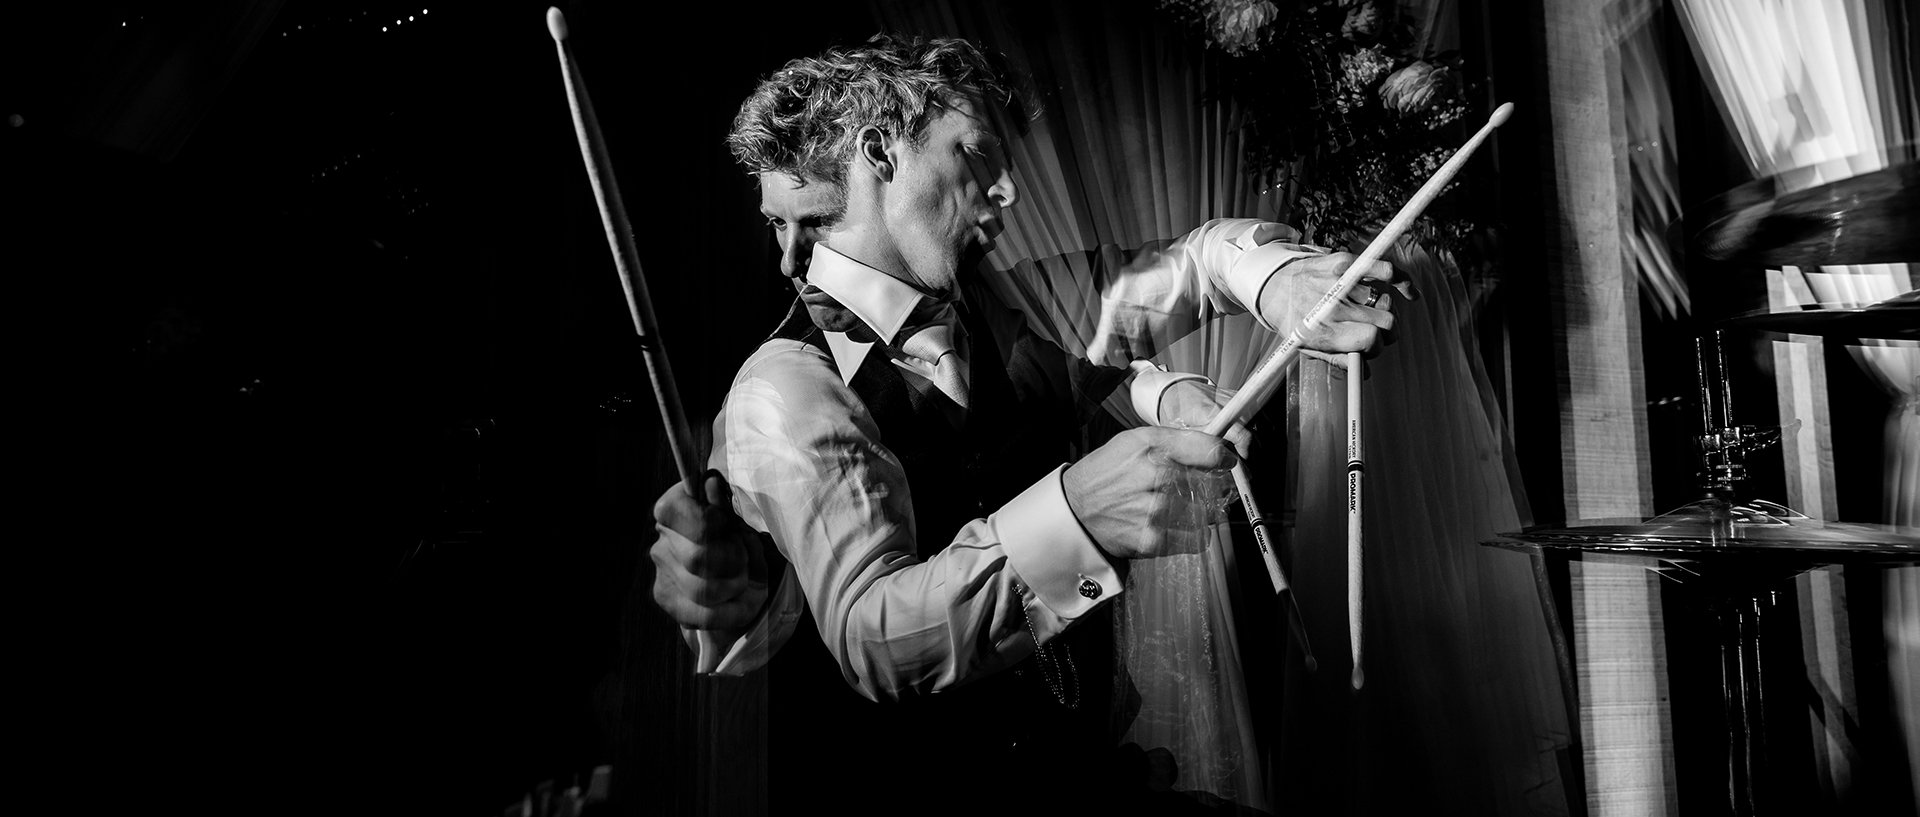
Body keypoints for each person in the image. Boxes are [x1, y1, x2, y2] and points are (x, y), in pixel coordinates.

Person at [646, 34, 1408, 813]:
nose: (1006, 189)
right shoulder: (783, 386)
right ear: (880, 153)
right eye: (974, 152)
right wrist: (1081, 512)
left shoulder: (1013, 307)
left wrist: (1281, 280)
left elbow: (1192, 264)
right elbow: (872, 636)